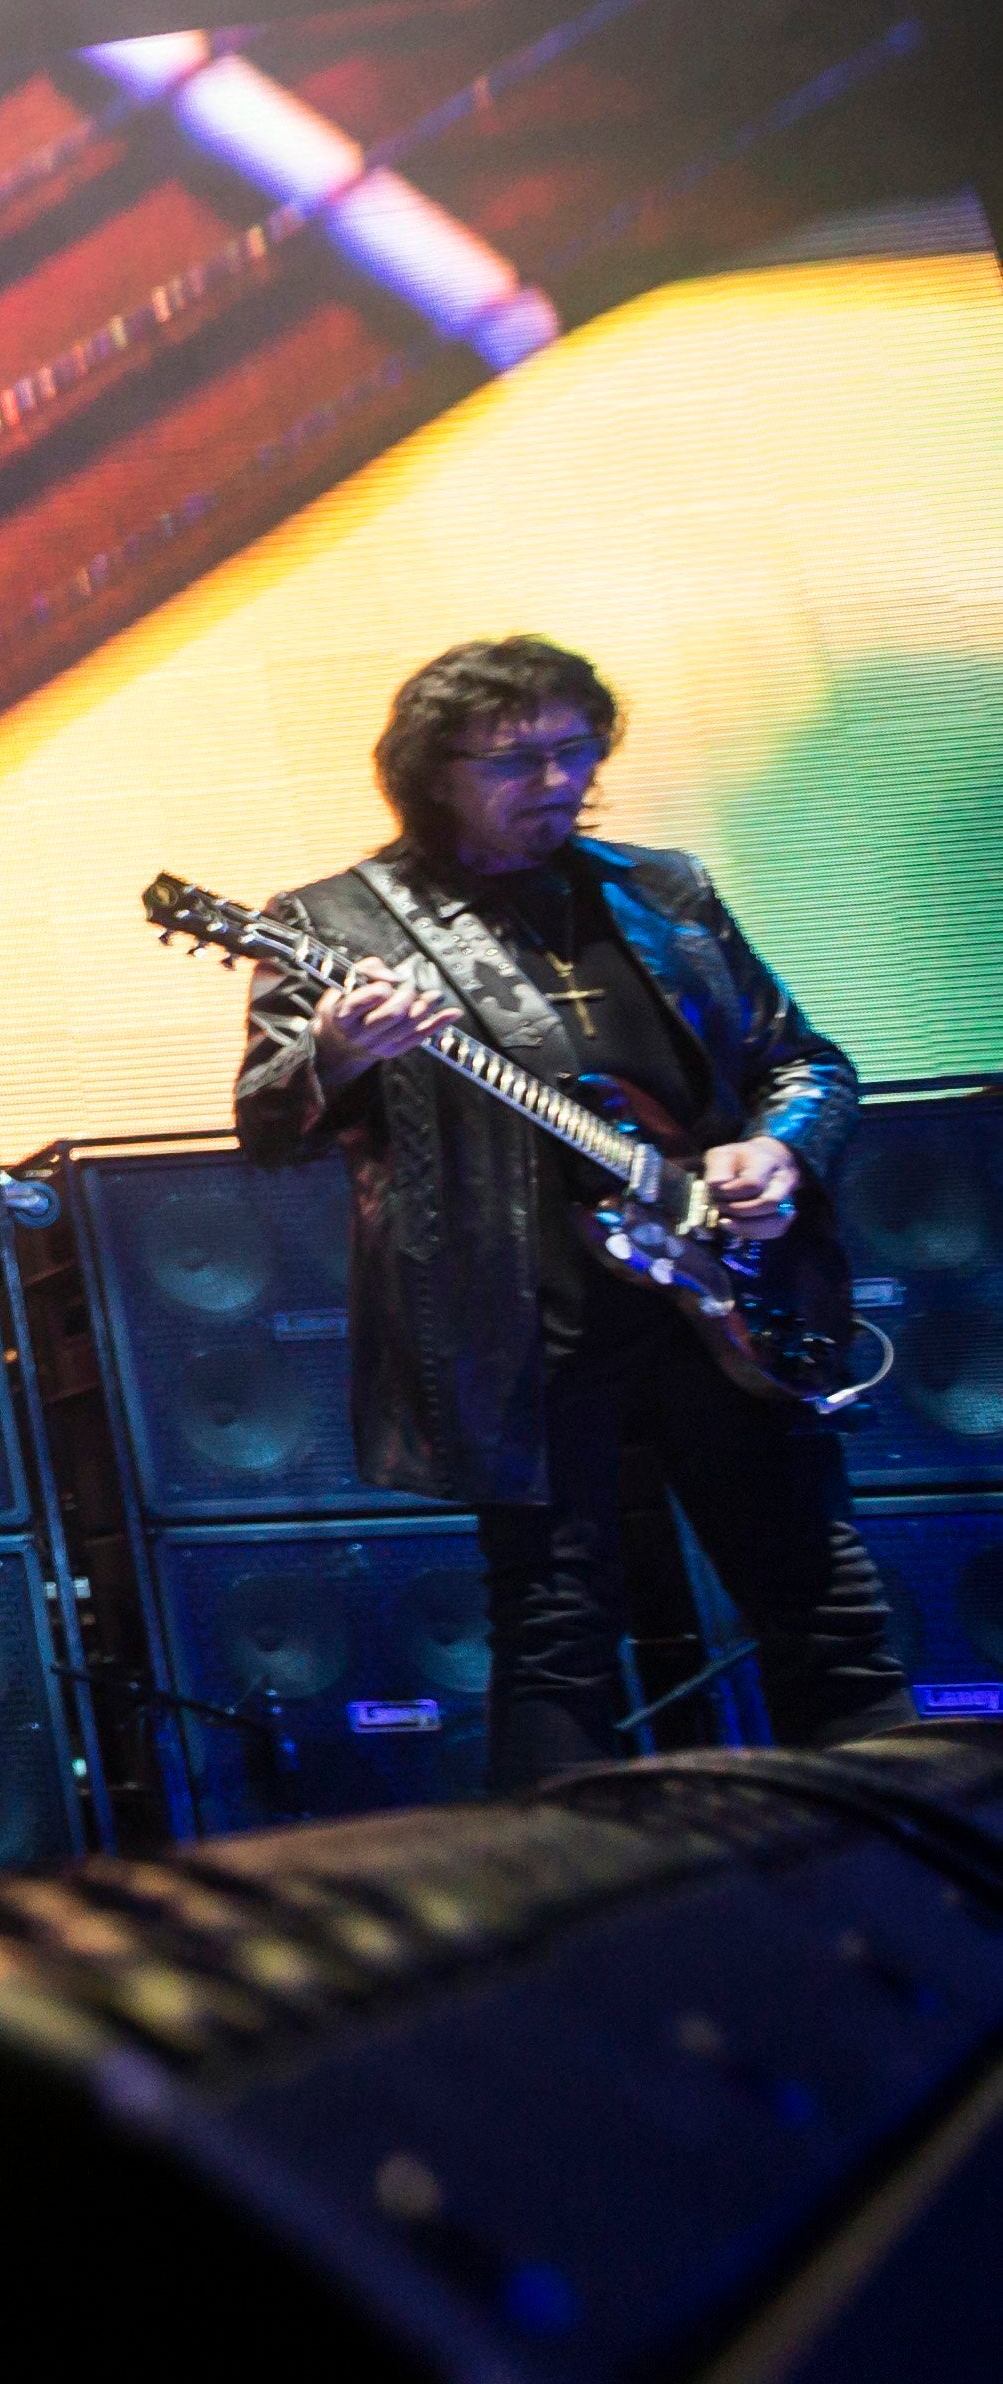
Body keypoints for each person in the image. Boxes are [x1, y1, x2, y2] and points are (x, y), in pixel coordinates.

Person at [234, 636, 910, 1785]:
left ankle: (918, 1880)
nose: (555, 782)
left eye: (573, 752)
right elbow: (265, 1126)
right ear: (429, 770)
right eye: (515, 761)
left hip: (724, 1304)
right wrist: (339, 1052)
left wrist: (778, 1154)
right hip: (524, 1326)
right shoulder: (339, 924)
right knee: (558, 1639)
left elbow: (808, 1063)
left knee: (828, 1606)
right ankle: (567, 1921)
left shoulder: (662, 890)